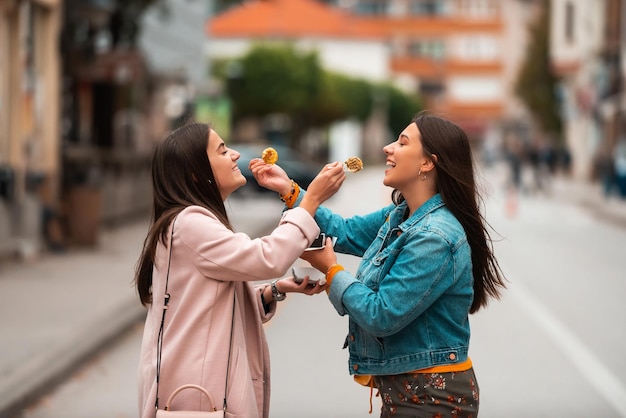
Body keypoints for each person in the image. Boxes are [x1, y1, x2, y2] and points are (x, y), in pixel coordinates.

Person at [250, 112, 507, 417]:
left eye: (402, 142)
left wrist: (332, 270)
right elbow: (343, 231)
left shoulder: (435, 236)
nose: (387, 148)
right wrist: (290, 191)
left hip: (432, 398)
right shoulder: (402, 214)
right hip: (408, 393)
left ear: (427, 163)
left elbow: (381, 314)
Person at [134, 122, 345, 418]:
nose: (235, 155)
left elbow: (208, 311)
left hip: (200, 393)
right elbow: (267, 257)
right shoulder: (190, 223)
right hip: (200, 401)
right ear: (197, 173)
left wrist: (275, 290)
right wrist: (308, 202)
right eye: (222, 150)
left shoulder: (187, 221)